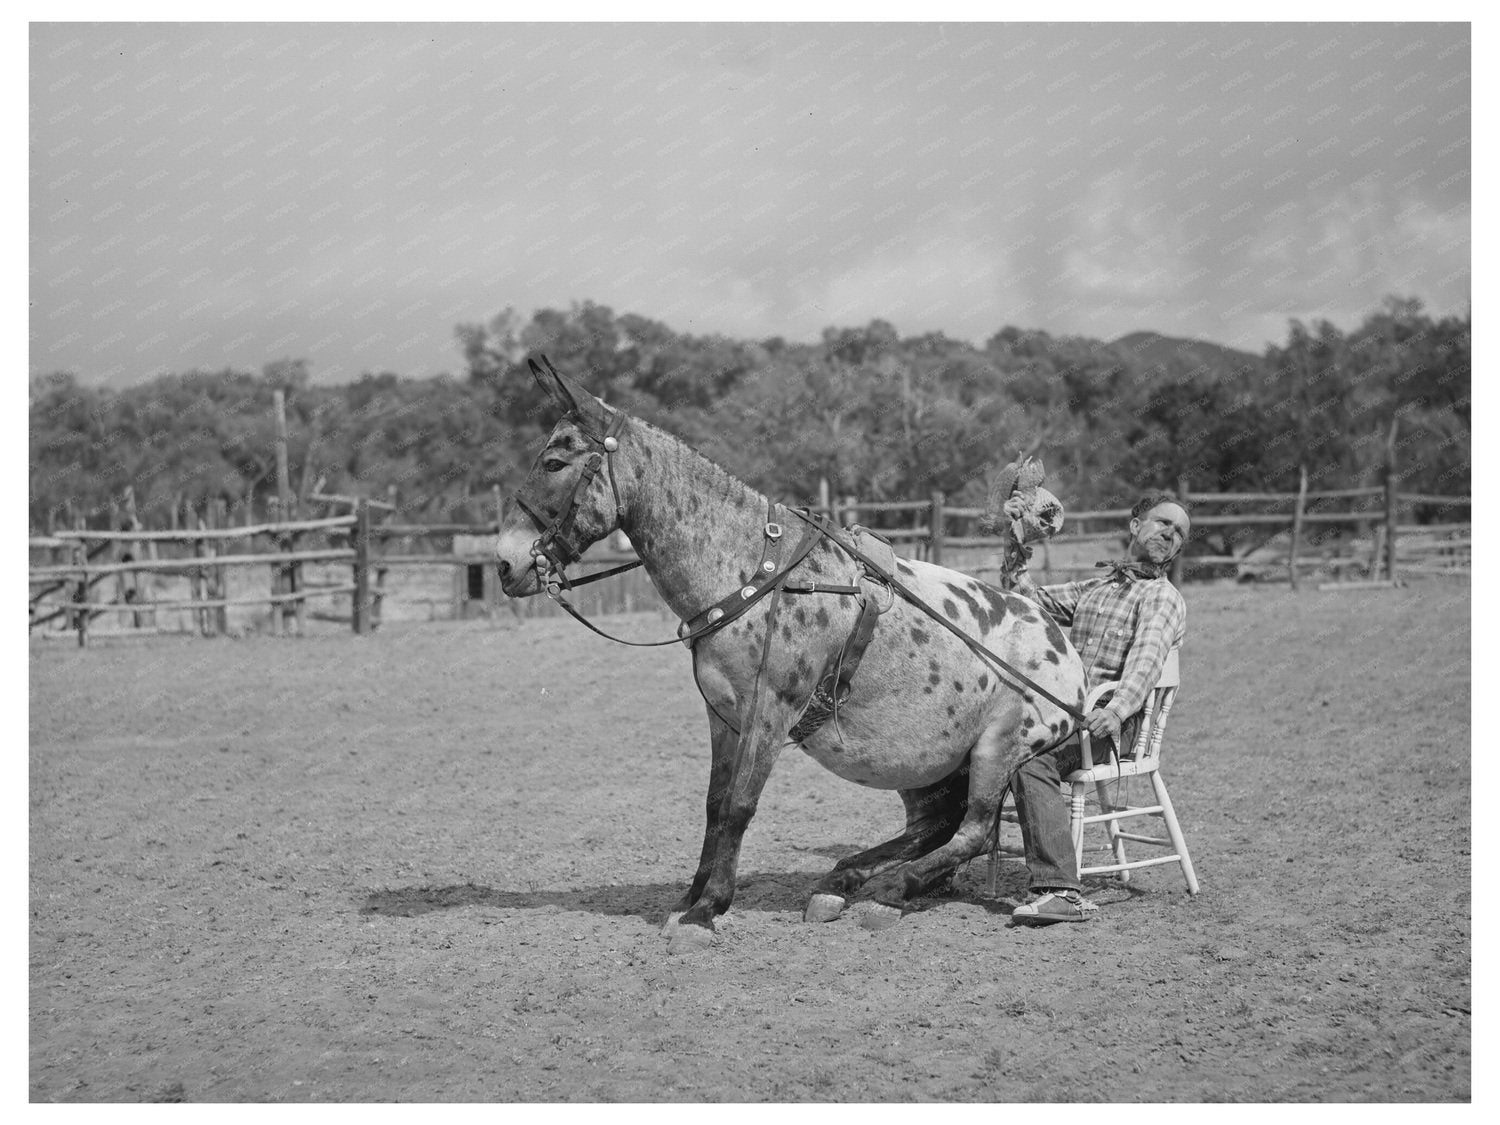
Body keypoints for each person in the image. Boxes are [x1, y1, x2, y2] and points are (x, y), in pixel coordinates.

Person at [1004, 491, 1191, 923]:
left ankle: (1060, 890)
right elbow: (1028, 598)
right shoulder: (1101, 586)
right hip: (1072, 718)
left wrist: (1117, 710)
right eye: (1162, 522)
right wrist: (1016, 542)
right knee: (985, 743)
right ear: (1135, 525)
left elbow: (1145, 664)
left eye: (1178, 532)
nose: (1169, 534)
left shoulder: (1161, 598)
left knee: (1029, 764)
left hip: (1111, 727)